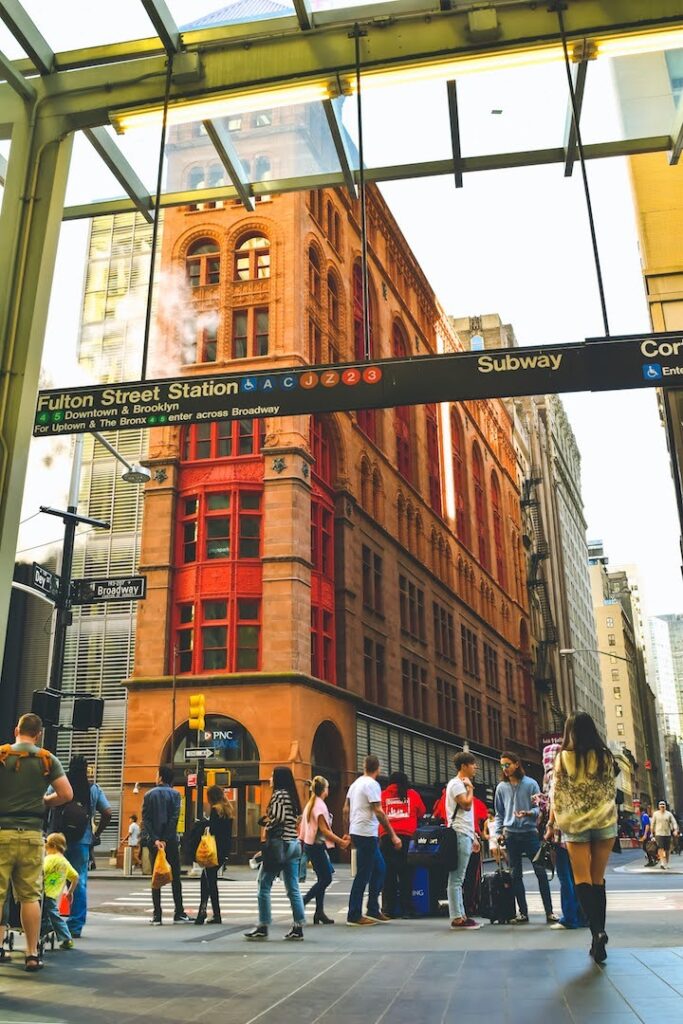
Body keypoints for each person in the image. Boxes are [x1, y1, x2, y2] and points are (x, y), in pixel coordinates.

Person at [0, 713, 72, 971]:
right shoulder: (46, 759)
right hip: (32, 835)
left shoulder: (2, 755)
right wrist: (44, 801)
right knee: (30, 896)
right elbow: (66, 794)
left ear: (15, 729)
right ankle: (31, 953)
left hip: (2, 833)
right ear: (39, 734)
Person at [550, 711, 618, 964]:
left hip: (576, 825)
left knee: (582, 879)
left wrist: (553, 822)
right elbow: (611, 790)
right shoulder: (605, 757)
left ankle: (596, 932)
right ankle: (598, 934)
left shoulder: (562, 759)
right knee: (598, 879)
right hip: (604, 822)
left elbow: (557, 795)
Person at [494, 751, 558, 925]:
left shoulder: (530, 784)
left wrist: (530, 812)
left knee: (541, 873)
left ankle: (549, 912)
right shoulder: (501, 788)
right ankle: (523, 913)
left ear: (516, 763)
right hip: (511, 835)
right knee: (516, 875)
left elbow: (542, 807)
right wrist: (498, 833)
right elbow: (499, 813)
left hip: (529, 833)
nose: (505, 769)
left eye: (507, 764)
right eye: (502, 766)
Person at [53, 754, 112, 938]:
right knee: (79, 881)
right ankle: (75, 926)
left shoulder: (60, 784)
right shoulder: (93, 788)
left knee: (51, 879)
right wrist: (96, 834)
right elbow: (108, 812)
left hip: (57, 840)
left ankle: (49, 920)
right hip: (82, 840)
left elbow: (45, 801)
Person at [245, 766, 306, 941]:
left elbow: (277, 818)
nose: (270, 778)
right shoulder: (293, 796)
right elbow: (294, 819)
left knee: (263, 884)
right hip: (293, 844)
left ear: (278, 778)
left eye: (272, 776)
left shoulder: (279, 795)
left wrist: (266, 824)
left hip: (280, 846)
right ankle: (298, 926)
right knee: (292, 888)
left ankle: (263, 925)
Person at [344, 755, 402, 926]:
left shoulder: (355, 784)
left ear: (364, 767)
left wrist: (347, 831)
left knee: (380, 869)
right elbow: (378, 811)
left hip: (359, 831)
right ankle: (354, 914)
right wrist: (393, 835)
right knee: (364, 873)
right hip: (366, 833)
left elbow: (345, 809)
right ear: (379, 768)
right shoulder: (372, 784)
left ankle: (373, 909)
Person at [142, 765, 192, 925]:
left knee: (156, 876)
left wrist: (156, 839)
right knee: (175, 877)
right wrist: (165, 839)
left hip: (153, 842)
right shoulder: (176, 795)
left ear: (161, 778)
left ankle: (157, 915)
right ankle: (179, 912)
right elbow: (174, 818)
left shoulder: (148, 795)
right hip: (170, 841)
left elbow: (146, 819)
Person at [300, 776, 350, 924]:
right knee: (326, 878)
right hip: (316, 847)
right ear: (324, 789)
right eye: (327, 787)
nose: (328, 790)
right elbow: (325, 831)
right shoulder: (319, 805)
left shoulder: (312, 803)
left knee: (322, 878)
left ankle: (319, 912)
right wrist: (341, 842)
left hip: (311, 845)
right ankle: (302, 902)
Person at [379, 771, 426, 919]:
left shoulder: (383, 795)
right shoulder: (412, 794)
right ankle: (407, 909)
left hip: (386, 837)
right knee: (406, 874)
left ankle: (388, 909)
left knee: (388, 874)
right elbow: (422, 812)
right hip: (407, 838)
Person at [445, 751, 482, 929]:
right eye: (473, 764)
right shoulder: (456, 784)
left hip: (464, 833)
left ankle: (461, 915)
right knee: (457, 878)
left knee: (460, 877)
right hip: (459, 833)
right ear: (463, 766)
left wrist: (473, 835)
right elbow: (466, 806)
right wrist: (470, 788)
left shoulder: (460, 784)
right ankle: (457, 917)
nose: (475, 767)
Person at [195, 785, 234, 925]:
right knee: (208, 879)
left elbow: (213, 830)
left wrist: (204, 824)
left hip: (214, 850)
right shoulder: (228, 810)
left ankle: (208, 913)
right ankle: (207, 912)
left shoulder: (215, 810)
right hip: (224, 850)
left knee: (209, 881)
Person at [42, 832, 79, 950]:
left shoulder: (49, 859)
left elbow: (41, 872)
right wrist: (70, 892)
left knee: (52, 914)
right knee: (51, 913)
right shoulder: (65, 862)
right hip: (53, 894)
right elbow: (75, 877)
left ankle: (66, 937)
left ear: (51, 846)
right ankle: (49, 927)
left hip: (44, 892)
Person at [651, 800, 679, 869]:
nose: (662, 807)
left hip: (667, 834)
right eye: (661, 805)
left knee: (667, 849)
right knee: (661, 848)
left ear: (665, 806)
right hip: (659, 834)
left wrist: (675, 830)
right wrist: (652, 833)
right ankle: (662, 862)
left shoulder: (669, 814)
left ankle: (667, 862)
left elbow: (674, 822)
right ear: (659, 806)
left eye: (663, 805)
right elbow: (652, 824)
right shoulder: (655, 814)